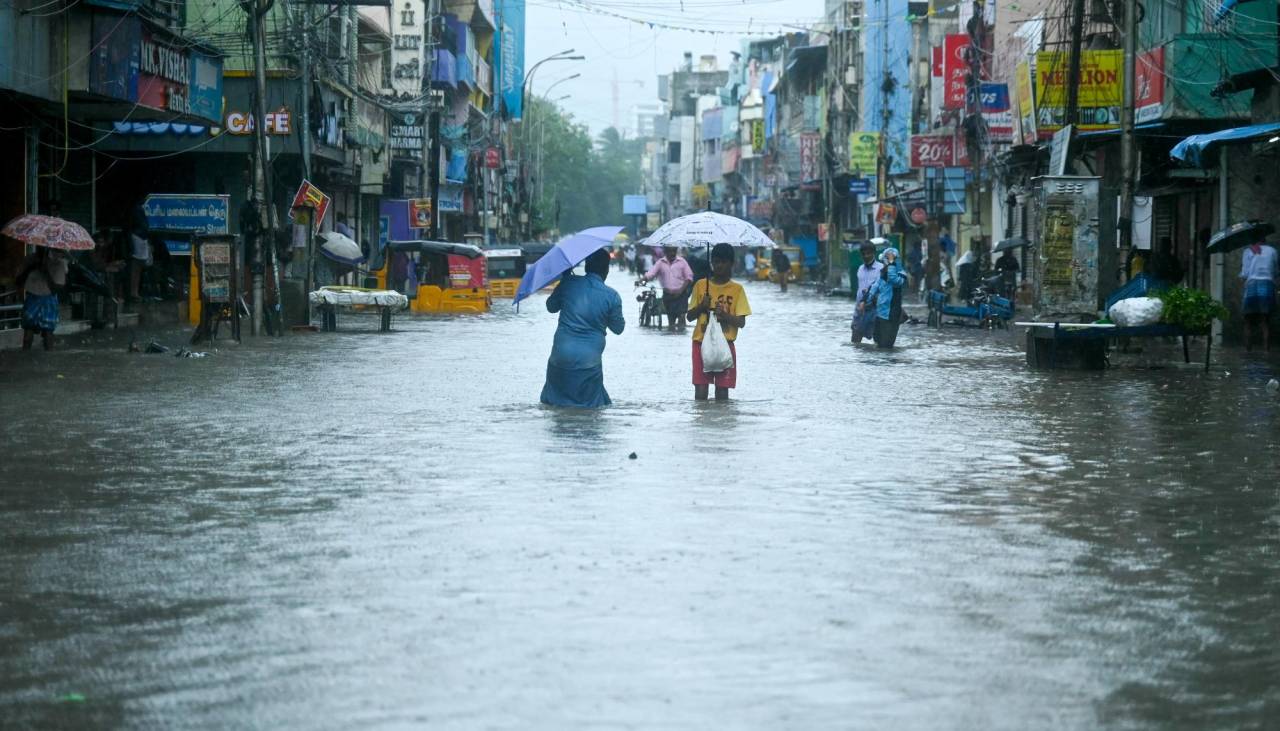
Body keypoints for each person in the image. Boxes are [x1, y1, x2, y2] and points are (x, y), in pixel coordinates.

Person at [540, 249, 625, 408]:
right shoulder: (611, 296)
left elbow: (551, 307)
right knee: (591, 412)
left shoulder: (568, 283)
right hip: (588, 363)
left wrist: (565, 280)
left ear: (586, 267)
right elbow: (618, 328)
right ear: (606, 270)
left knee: (554, 407)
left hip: (560, 357)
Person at [687, 243, 751, 401]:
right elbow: (689, 316)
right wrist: (702, 306)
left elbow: (741, 322)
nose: (718, 266)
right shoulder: (701, 286)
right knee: (701, 389)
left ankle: (721, 423)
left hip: (726, 344)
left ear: (731, 264)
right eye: (715, 262)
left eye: (722, 262)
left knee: (723, 391)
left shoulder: (737, 290)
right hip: (701, 343)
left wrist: (725, 316)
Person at [16, 247, 69, 350]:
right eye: (39, 246)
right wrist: (31, 268)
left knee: (48, 333)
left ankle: (47, 358)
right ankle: (25, 357)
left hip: (49, 299)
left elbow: (56, 289)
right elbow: (18, 280)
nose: (41, 248)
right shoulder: (30, 259)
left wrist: (46, 272)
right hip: (32, 297)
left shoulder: (59, 263)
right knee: (28, 331)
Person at [642, 244, 695, 332]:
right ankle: (671, 339)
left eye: (674, 251)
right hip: (668, 296)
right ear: (665, 252)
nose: (672, 253)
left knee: (682, 317)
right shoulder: (660, 262)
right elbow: (651, 273)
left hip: (681, 295)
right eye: (670, 251)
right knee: (671, 320)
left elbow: (689, 278)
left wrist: (680, 290)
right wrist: (642, 280)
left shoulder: (682, 262)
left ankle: (680, 339)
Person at [1241, 240, 1278, 352]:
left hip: (1252, 285)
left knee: (1247, 321)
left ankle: (1248, 351)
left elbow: (1244, 274)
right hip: (1267, 285)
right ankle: (1266, 351)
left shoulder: (1247, 251)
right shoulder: (1272, 250)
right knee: (1265, 321)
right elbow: (1276, 270)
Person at [872, 247, 907, 348]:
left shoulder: (901, 275)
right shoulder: (883, 275)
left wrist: (891, 263)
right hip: (880, 314)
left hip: (891, 316)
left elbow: (893, 279)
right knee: (878, 343)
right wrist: (865, 300)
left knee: (886, 346)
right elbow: (875, 287)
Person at [853, 242, 883, 343]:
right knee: (855, 343)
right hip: (860, 311)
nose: (866, 256)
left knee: (879, 344)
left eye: (868, 253)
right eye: (863, 254)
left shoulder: (881, 269)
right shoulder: (860, 269)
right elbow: (859, 291)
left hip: (875, 311)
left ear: (873, 253)